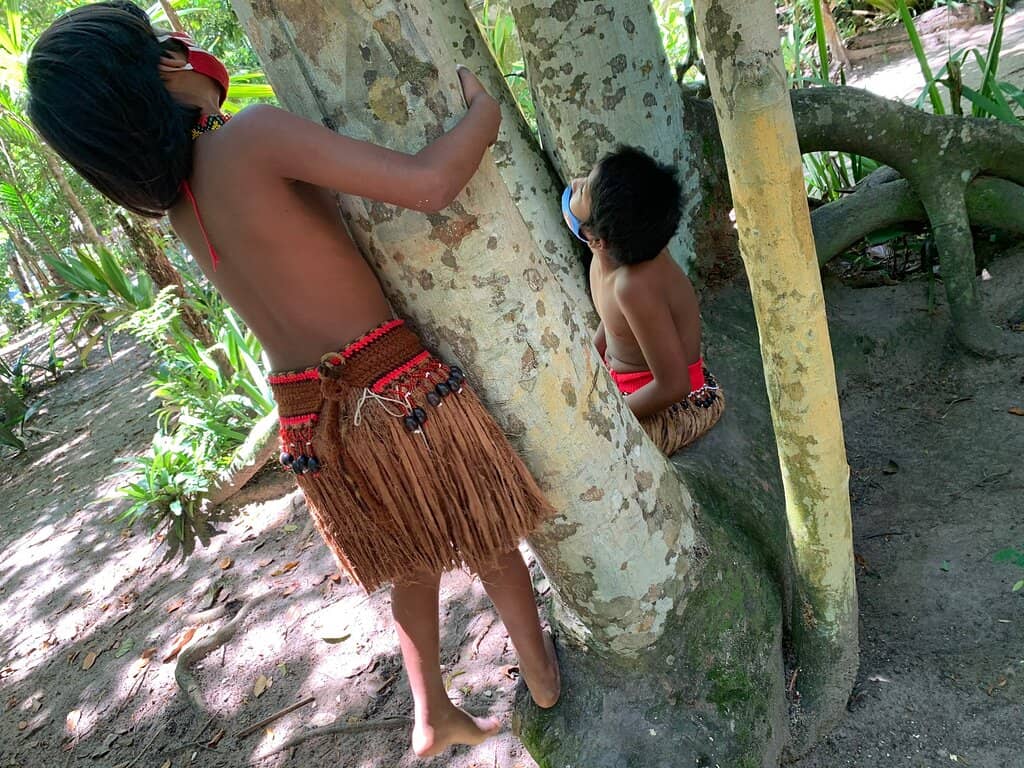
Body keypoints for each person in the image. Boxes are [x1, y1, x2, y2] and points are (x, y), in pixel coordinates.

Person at [27, 2, 559, 757]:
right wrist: (485, 112)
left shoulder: (183, 209)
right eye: (165, 41)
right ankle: (542, 679)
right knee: (486, 532)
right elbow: (431, 185)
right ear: (165, 65)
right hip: (390, 385)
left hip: (309, 421)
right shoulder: (252, 136)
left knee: (411, 557)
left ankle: (432, 711)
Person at [561, 146, 725, 455]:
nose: (575, 182)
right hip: (628, 382)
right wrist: (589, 360)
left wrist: (609, 413)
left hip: (674, 403)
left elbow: (674, 385)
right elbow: (614, 323)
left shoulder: (633, 287)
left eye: (582, 191)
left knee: (583, 449)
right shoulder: (610, 254)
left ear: (597, 238)